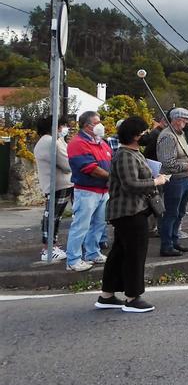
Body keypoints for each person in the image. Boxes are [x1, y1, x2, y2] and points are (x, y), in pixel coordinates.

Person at [94, 117, 169, 313]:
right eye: (144, 132)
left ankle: (107, 295)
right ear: (135, 135)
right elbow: (131, 184)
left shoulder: (132, 153)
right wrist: (156, 182)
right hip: (129, 211)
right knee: (135, 255)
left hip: (130, 211)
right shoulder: (126, 155)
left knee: (119, 254)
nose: (146, 135)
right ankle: (132, 297)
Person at [65, 111, 112, 271]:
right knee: (81, 226)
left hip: (102, 190)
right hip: (86, 191)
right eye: (96, 122)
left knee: (99, 224)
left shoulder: (101, 142)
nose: (100, 125)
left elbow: (110, 160)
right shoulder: (78, 143)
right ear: (87, 125)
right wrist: (113, 177)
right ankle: (73, 259)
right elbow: (89, 168)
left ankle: (92, 253)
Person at [157, 107, 188, 256]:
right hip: (174, 180)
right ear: (177, 120)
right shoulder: (168, 136)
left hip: (185, 179)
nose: (187, 123)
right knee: (171, 213)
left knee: (179, 213)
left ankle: (174, 241)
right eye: (185, 120)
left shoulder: (180, 134)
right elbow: (167, 163)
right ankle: (166, 245)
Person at [34, 116, 73, 262]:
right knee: (52, 216)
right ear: (54, 127)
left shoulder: (51, 140)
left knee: (54, 216)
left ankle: (51, 246)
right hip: (58, 184)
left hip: (59, 184)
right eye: (62, 125)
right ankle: (48, 249)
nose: (64, 128)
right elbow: (68, 163)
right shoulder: (50, 142)